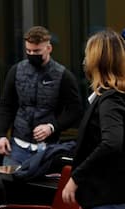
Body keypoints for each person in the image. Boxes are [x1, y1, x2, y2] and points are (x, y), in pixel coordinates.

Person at [0, 26, 82, 169]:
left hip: (48, 149)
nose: (31, 54)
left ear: (49, 48)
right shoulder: (16, 71)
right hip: (17, 147)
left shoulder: (63, 75)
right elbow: (6, 105)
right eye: (28, 51)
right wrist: (1, 135)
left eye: (36, 51)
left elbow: (75, 110)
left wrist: (52, 126)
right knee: (10, 188)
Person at [62, 29, 125, 209]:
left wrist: (75, 178)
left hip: (107, 200)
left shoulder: (110, 98)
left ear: (98, 61)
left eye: (87, 56)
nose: (85, 61)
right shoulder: (117, 95)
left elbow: (112, 143)